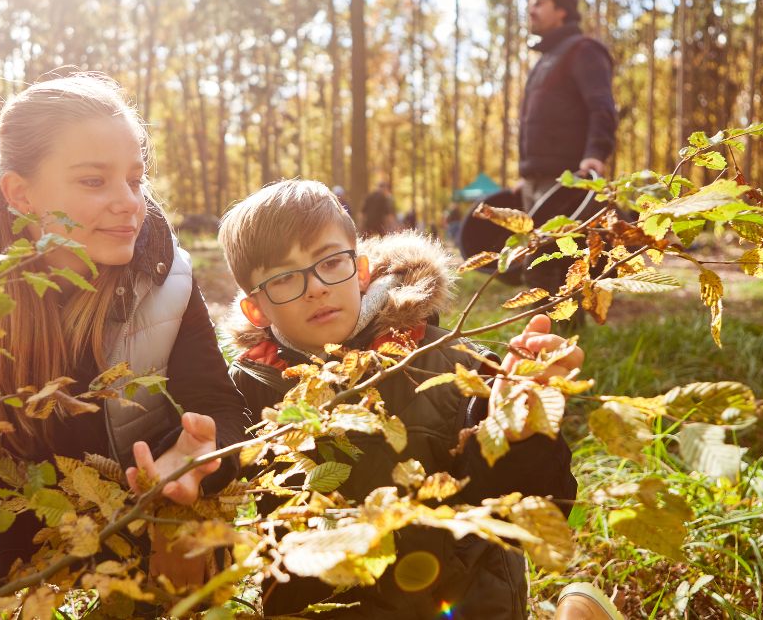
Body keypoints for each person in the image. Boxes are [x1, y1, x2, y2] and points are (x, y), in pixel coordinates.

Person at [0, 73, 251, 617]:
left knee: (203, 546)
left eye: (135, 180)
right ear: (21, 193)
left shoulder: (165, 276)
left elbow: (219, 407)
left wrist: (200, 463)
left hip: (131, 513)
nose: (129, 203)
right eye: (94, 181)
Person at [216, 180, 581, 618]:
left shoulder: (453, 365)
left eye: (330, 262)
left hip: (462, 603)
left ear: (362, 269)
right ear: (256, 309)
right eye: (285, 278)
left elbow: (543, 504)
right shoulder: (245, 392)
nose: (315, 287)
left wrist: (520, 431)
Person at [518, 0, 617, 316]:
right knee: (539, 260)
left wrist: (595, 154)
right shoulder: (546, 59)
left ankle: (567, 334)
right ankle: (540, 331)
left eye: (539, 2)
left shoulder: (583, 50)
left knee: (563, 260)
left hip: (567, 179)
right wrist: (526, 172)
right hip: (537, 178)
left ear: (561, 11)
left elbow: (602, 107)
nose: (531, 8)